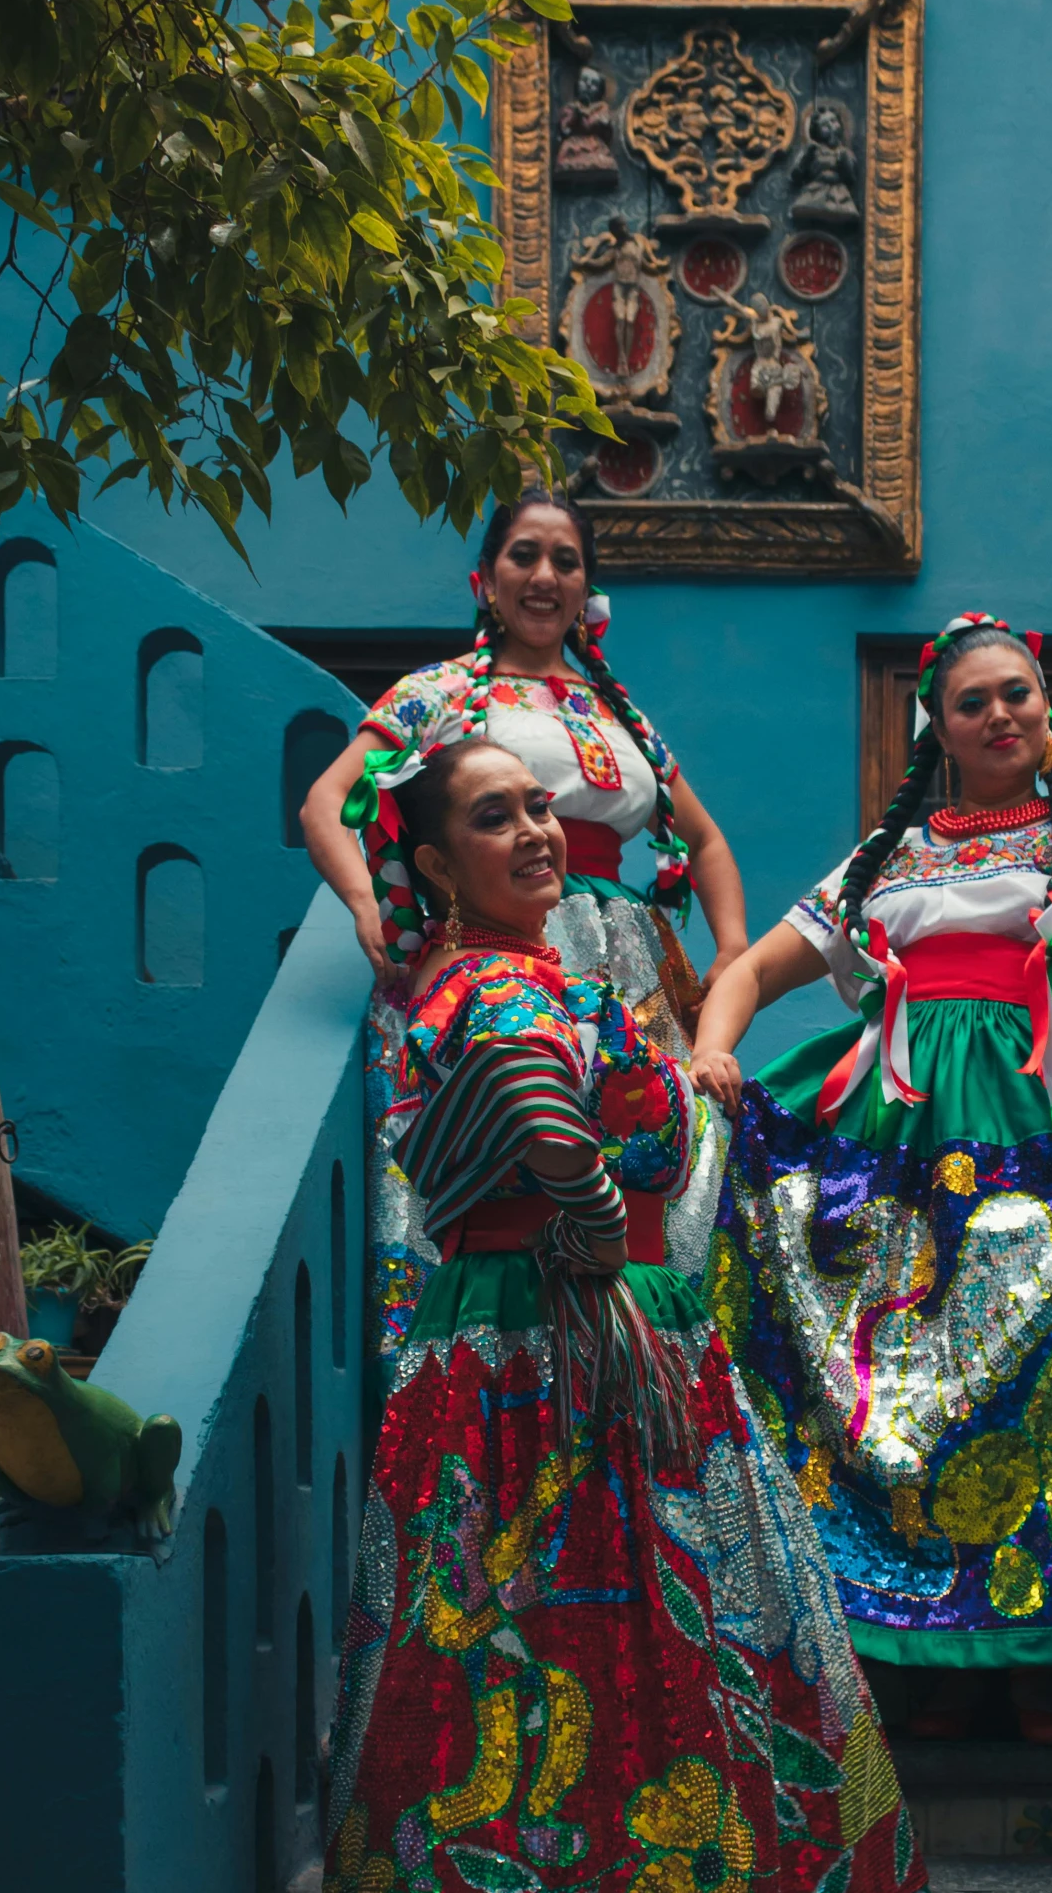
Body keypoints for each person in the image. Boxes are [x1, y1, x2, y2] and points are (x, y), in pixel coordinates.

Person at [318, 735, 931, 1893]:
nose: (538, 829)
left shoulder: (519, 972)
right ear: (433, 861)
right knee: (586, 1647)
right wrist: (592, 1220)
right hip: (554, 1351)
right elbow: (543, 1119)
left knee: (580, 1655)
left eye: (543, 803)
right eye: (497, 816)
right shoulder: (489, 983)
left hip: (551, 1335)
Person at [690, 613, 1052, 1744]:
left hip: (1038, 1153)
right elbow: (753, 967)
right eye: (973, 701)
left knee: (1032, 1392)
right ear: (935, 727)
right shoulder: (886, 861)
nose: (999, 715)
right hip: (887, 1163)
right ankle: (932, 1659)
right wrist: (712, 1045)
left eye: (1017, 695)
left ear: (1048, 714)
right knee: (903, 1396)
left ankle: (1037, 1659)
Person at [301, 490, 748, 1386]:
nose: (545, 577)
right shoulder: (440, 692)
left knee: (653, 1163)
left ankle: (638, 1385)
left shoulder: (622, 715)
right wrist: (370, 911)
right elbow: (327, 801)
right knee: (521, 1163)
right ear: (486, 578)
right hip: (496, 949)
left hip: (631, 963)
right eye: (524, 556)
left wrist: (730, 956)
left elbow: (701, 837)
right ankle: (495, 1386)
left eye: (566, 560)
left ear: (587, 588)